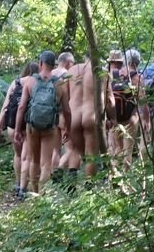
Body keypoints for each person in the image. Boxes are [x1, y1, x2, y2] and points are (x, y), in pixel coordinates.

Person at [16, 50, 67, 193]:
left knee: (34, 161)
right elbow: (67, 110)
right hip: (50, 128)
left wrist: (16, 129)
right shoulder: (59, 84)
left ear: (40, 63)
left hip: (31, 127)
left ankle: (34, 192)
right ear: (53, 65)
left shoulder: (30, 81)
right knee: (46, 163)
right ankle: (41, 196)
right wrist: (67, 128)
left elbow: (21, 107)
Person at [61, 50, 106, 178]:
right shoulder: (101, 72)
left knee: (75, 150)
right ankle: (89, 187)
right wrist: (112, 119)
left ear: (84, 58)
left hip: (73, 115)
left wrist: (64, 122)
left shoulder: (72, 70)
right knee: (91, 153)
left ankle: (71, 184)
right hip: (91, 114)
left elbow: (65, 98)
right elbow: (109, 99)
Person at [0, 61, 34, 195]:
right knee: (28, 157)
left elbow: (5, 106)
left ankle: (18, 183)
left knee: (17, 155)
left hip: (12, 123)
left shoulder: (16, 83)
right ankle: (25, 186)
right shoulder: (36, 83)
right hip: (28, 124)